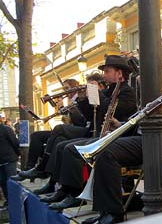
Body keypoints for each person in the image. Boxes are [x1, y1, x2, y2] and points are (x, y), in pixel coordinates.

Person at [81, 44, 162, 224]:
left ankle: (114, 214)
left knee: (108, 152)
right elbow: (142, 112)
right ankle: (105, 211)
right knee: (102, 147)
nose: (142, 68)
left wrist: (147, 88)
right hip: (146, 138)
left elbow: (161, 111)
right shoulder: (154, 82)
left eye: (148, 63)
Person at [44, 55, 137, 210]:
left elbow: (111, 109)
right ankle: (64, 190)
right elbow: (90, 116)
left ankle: (75, 193)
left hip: (116, 138)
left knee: (71, 150)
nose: (104, 75)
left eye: (107, 71)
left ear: (119, 73)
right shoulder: (109, 91)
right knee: (62, 146)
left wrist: (97, 94)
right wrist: (82, 98)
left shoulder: (127, 92)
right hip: (101, 134)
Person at [11, 78, 87, 183]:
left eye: (67, 88)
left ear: (74, 87)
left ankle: (42, 169)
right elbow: (68, 121)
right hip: (69, 131)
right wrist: (63, 110)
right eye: (64, 88)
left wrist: (66, 109)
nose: (64, 91)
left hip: (78, 133)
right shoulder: (70, 100)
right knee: (36, 136)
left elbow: (80, 122)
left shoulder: (80, 99)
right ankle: (29, 168)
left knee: (58, 133)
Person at [0, 121, 19, 208]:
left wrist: (17, 153)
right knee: (3, 182)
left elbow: (14, 142)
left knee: (11, 181)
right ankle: (9, 200)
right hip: (2, 161)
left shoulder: (6, 129)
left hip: (9, 159)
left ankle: (15, 201)